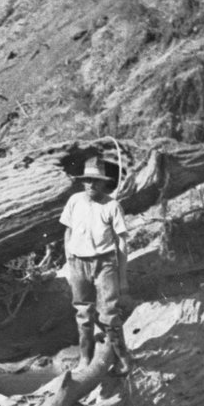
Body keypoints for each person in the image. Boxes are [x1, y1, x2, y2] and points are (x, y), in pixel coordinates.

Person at [60, 155, 128, 362]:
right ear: (83, 181)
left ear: (103, 183)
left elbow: (122, 242)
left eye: (96, 181)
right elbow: (67, 232)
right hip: (78, 263)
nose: (91, 185)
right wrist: (69, 259)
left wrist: (122, 276)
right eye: (87, 180)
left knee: (109, 313)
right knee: (83, 313)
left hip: (104, 262)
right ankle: (85, 358)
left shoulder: (111, 206)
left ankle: (123, 357)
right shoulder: (74, 201)